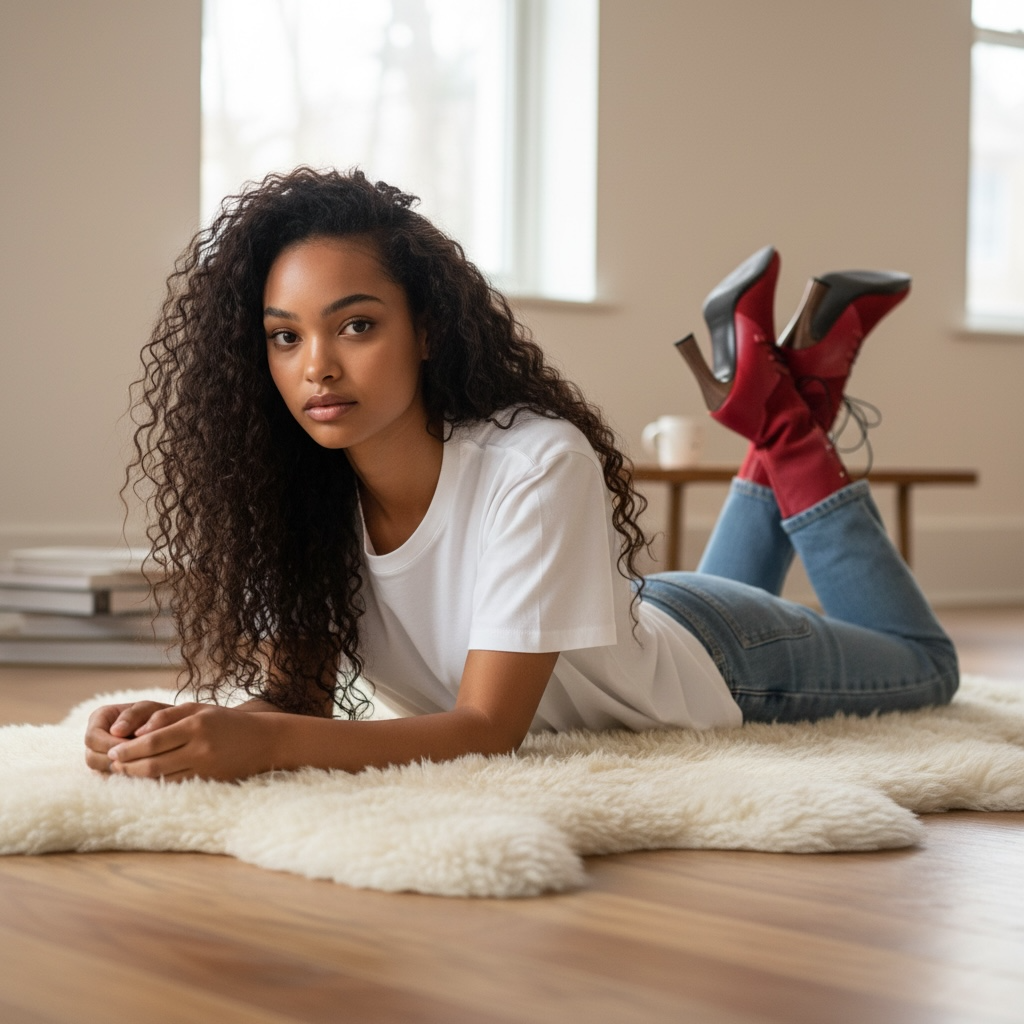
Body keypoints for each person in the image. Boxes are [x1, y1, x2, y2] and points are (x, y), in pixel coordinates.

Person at [84, 168, 958, 783]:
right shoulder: (292, 491)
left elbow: (487, 729)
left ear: (427, 328)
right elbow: (299, 701)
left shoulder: (534, 460)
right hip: (643, 629)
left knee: (929, 667)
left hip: (729, 662)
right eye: (285, 336)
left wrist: (267, 748)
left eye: (354, 327)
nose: (316, 366)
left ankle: (784, 424)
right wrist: (193, 727)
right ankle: (780, 399)